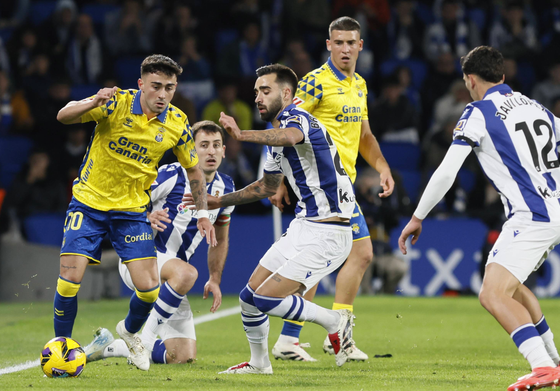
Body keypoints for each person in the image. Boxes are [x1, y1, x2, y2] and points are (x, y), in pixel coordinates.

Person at [398, 46, 560, 391]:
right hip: (553, 209)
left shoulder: (478, 111)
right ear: (502, 75)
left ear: (470, 80)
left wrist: (417, 216)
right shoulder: (537, 107)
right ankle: (554, 362)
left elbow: (447, 171)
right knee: (514, 289)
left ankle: (542, 367)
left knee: (491, 294)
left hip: (531, 215)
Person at [53, 54, 215, 372]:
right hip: (89, 203)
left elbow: (194, 170)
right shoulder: (116, 103)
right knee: (70, 280)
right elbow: (63, 116)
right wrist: (93, 101)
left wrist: (202, 214)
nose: (163, 94)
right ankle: (62, 347)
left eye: (169, 87)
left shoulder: (177, 123)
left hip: (130, 211)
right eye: (156, 86)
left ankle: (128, 332)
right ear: (141, 84)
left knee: (149, 289)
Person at [191, 64, 356, 373]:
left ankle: (335, 320)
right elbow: (266, 187)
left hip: (330, 231)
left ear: (287, 93)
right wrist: (219, 200)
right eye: (256, 92)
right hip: (304, 226)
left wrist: (241, 134)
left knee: (266, 299)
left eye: (265, 91)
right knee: (248, 298)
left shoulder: (299, 118)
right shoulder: (274, 140)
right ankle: (259, 364)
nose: (258, 98)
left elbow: (291, 136)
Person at [269, 16, 394, 362]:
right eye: (338, 42)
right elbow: (285, 125)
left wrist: (382, 167)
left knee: (329, 259)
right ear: (329, 45)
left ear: (360, 46)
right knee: (359, 253)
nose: (345, 49)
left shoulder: (360, 85)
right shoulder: (314, 83)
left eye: (351, 42)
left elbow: (364, 136)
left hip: (343, 185)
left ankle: (294, 339)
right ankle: (337, 335)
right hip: (321, 185)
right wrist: (277, 178)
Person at [83, 120, 233, 365]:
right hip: (142, 258)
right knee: (187, 273)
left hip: (173, 276)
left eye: (216, 145)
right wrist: (145, 216)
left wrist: (215, 279)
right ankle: (144, 340)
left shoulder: (227, 187)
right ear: (190, 150)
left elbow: (221, 238)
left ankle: (111, 347)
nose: (211, 151)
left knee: (181, 357)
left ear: (224, 151)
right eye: (203, 145)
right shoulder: (171, 174)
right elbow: (122, 200)